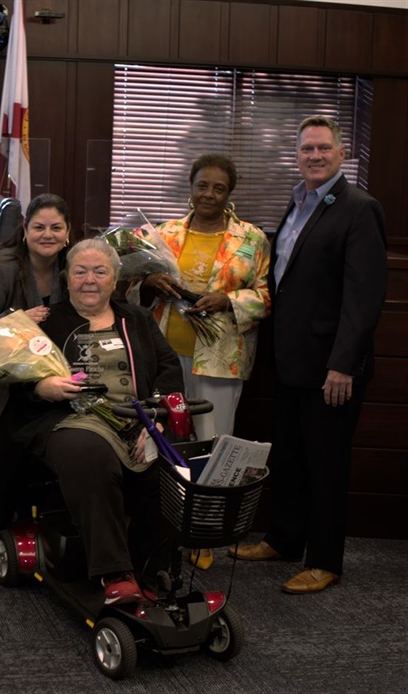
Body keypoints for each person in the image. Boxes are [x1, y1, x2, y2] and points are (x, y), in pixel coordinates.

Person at [231, 116, 387, 594]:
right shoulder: (298, 202)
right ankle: (283, 538)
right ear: (296, 157)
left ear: (342, 154)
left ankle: (324, 560)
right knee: (292, 459)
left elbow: (364, 298)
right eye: (306, 150)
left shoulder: (359, 208)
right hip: (292, 361)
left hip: (331, 368)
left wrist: (343, 364)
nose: (314, 156)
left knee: (327, 464)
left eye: (323, 148)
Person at [2, 238, 183, 604]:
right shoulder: (45, 321)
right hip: (67, 421)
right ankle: (114, 573)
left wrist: (157, 420)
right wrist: (42, 386)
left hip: (136, 418)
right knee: (90, 455)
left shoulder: (138, 319)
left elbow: (168, 370)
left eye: (100, 272)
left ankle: (153, 567)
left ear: (115, 279)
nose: (90, 280)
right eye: (80, 271)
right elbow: (13, 381)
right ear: (66, 278)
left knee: (170, 465)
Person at [141, 154, 271, 569]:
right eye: (202, 185)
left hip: (220, 357)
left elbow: (266, 295)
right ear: (191, 186)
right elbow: (131, 282)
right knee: (164, 437)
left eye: (218, 188)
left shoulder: (250, 239)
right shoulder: (165, 232)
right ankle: (161, 523)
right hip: (164, 353)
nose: (209, 194)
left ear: (229, 193)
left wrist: (228, 300)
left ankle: (205, 535)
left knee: (213, 442)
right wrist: (148, 281)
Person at [0, 193, 72, 544]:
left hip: (51, 379)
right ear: (25, 229)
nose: (47, 234)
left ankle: (43, 535)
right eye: (39, 227)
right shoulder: (2, 265)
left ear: (68, 232)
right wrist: (17, 321)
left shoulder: (71, 264)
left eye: (56, 227)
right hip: (2, 384)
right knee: (13, 462)